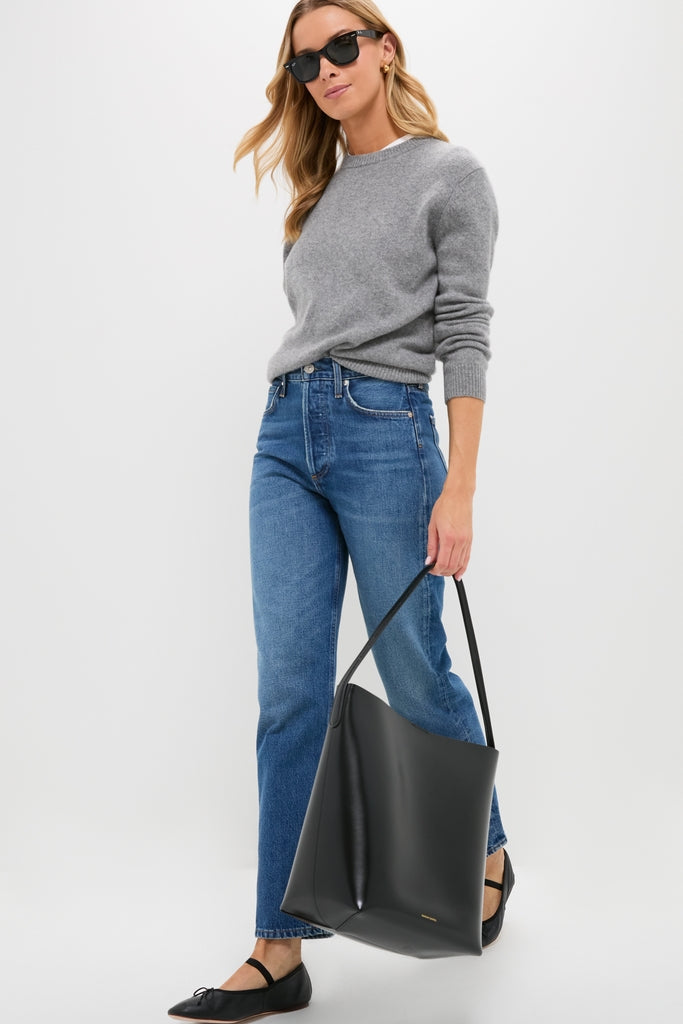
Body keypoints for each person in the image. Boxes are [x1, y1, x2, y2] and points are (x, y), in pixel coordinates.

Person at [168, 2, 514, 1020]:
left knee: (412, 667)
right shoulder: (317, 191)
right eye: (303, 61)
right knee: (289, 691)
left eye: (340, 46)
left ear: (383, 47)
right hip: (285, 437)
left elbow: (463, 330)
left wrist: (459, 485)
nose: (323, 68)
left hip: (384, 432)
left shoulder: (450, 175)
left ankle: (488, 848)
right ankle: (279, 947)